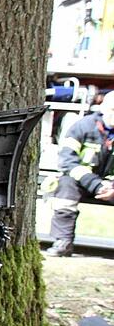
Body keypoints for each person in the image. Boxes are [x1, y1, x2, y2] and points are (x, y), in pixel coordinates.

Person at [48, 98, 114, 256]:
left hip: (111, 186)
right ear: (103, 108)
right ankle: (63, 242)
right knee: (66, 185)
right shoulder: (82, 126)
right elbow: (67, 161)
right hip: (83, 182)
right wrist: (96, 184)